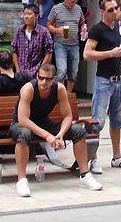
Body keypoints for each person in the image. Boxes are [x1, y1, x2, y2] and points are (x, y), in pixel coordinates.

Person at [9, 62, 102, 197]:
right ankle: (21, 180)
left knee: (78, 130)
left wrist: (60, 134)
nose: (44, 82)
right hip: (21, 124)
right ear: (37, 76)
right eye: (41, 78)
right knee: (24, 133)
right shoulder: (28, 89)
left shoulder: (59, 89)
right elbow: (23, 120)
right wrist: (48, 136)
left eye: (48, 79)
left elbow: (68, 116)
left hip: (43, 122)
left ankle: (84, 174)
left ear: (54, 79)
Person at [83, 0, 121, 171]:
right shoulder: (97, 30)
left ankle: (116, 157)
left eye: (116, 8)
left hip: (118, 80)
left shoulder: (116, 27)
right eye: (110, 9)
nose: (114, 11)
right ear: (103, 11)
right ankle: (93, 159)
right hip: (103, 80)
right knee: (98, 122)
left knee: (117, 121)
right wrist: (110, 53)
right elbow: (87, 54)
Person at [47, 0, 85, 93]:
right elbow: (48, 24)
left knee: (73, 72)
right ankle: (60, 94)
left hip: (74, 43)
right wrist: (57, 30)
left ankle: (68, 95)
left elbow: (82, 23)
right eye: (71, 2)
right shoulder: (56, 9)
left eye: (75, 2)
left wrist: (83, 29)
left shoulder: (78, 9)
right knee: (62, 70)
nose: (73, 4)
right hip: (60, 43)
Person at [11, 3, 53, 78]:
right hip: (21, 73)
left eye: (29, 14)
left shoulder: (44, 32)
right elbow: (14, 50)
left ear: (36, 16)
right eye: (24, 14)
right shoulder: (19, 30)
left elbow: (49, 52)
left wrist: (41, 70)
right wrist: (17, 70)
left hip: (36, 73)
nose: (26, 16)